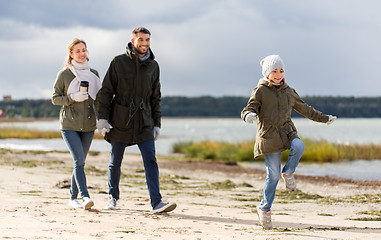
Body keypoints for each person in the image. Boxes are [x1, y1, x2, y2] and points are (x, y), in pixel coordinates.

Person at [241, 55, 336, 229]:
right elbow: (250, 107)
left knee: (299, 146)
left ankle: (289, 172)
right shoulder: (260, 90)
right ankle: (264, 208)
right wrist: (248, 115)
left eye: (281, 71)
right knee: (273, 176)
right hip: (268, 136)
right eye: (275, 71)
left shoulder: (288, 91)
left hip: (286, 132)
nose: (278, 74)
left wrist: (323, 118)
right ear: (267, 73)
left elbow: (305, 108)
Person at [95, 27, 176, 214]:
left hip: (144, 121)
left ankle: (157, 202)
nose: (144, 43)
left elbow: (155, 97)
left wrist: (157, 123)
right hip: (120, 119)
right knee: (115, 161)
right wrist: (102, 118)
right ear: (133, 41)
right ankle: (112, 197)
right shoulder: (118, 62)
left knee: (151, 161)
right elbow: (106, 92)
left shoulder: (153, 66)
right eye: (141, 40)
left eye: (147, 40)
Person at [52, 38, 102, 210]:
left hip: (88, 126)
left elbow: (99, 101)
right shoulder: (64, 74)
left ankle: (72, 197)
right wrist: (71, 99)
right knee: (79, 160)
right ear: (71, 54)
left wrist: (103, 119)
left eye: (84, 50)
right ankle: (85, 196)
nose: (82, 54)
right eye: (78, 51)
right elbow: (54, 98)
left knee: (79, 162)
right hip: (69, 125)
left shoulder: (94, 73)